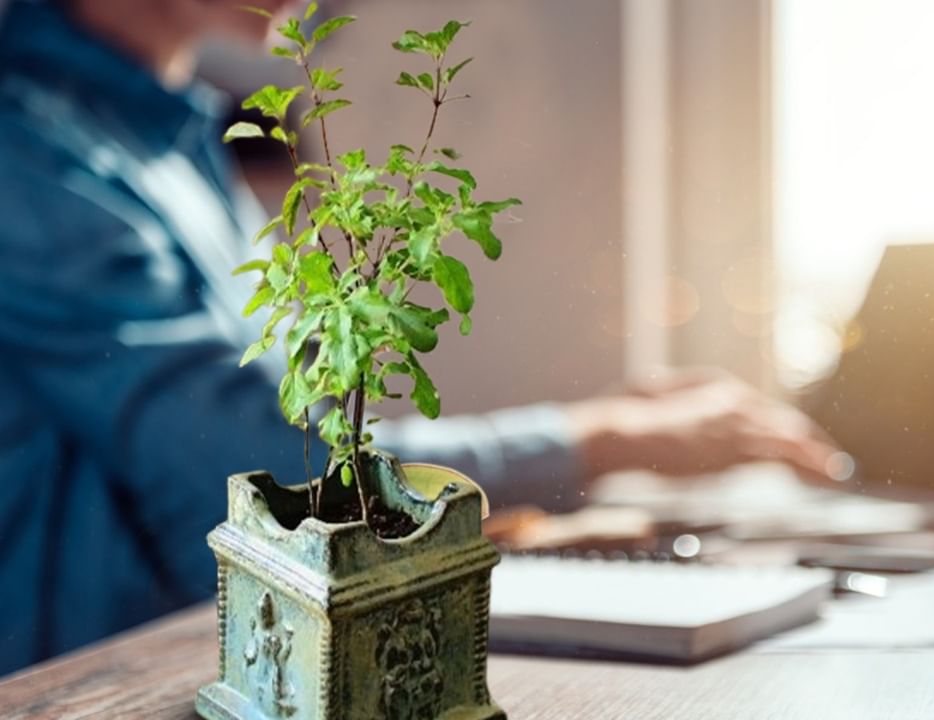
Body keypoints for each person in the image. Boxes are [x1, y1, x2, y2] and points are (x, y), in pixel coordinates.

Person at [0, 0, 840, 675]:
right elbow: (269, 476)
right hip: (101, 686)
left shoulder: (170, 140)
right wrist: (601, 437)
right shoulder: (30, 152)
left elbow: (303, 443)